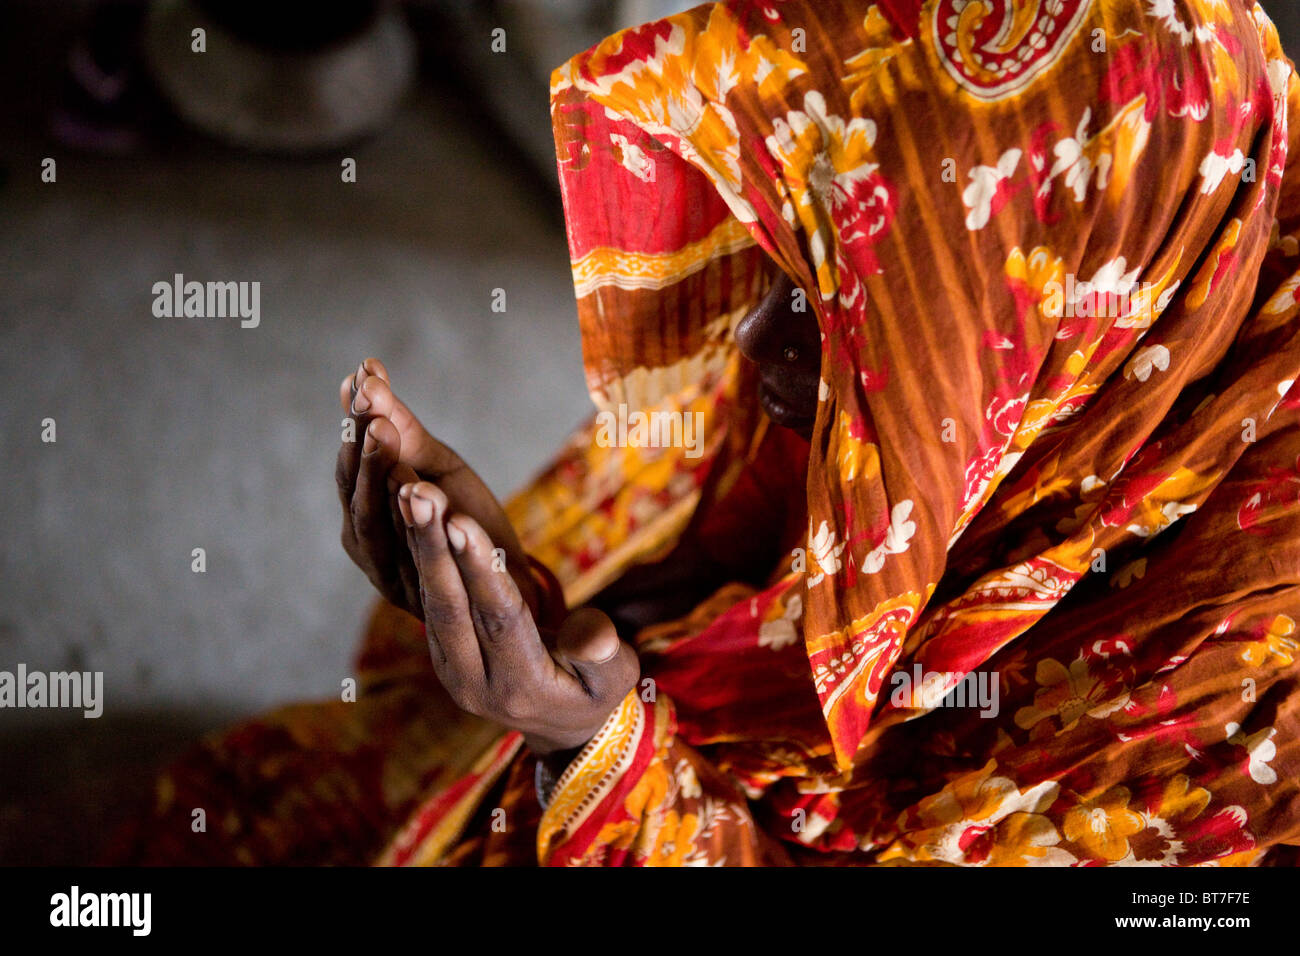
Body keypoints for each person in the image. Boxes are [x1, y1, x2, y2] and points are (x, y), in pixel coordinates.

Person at [112, 0, 1300, 866]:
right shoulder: (1163, 261)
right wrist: (541, 609)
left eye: (857, 323)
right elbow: (725, 572)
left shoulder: (1231, 722)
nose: (756, 343)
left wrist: (591, 752)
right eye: (796, 255)